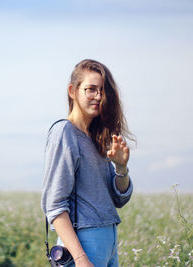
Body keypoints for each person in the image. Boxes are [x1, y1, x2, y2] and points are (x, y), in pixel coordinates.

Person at [41, 59, 134, 267]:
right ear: (72, 91)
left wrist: (121, 168)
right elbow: (54, 206)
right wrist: (81, 259)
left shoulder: (97, 137)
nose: (99, 97)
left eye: (102, 91)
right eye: (91, 89)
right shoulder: (64, 132)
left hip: (108, 242)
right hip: (84, 244)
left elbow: (119, 199)